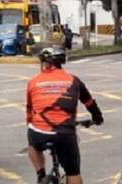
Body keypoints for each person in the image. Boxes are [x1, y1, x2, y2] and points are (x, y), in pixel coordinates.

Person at [26, 47, 103, 184]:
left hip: (38, 132)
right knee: (73, 172)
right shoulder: (74, 80)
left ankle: (41, 175)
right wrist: (97, 118)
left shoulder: (33, 82)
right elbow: (89, 102)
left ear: (44, 63)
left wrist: (33, 126)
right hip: (64, 133)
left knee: (32, 145)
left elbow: (29, 111)